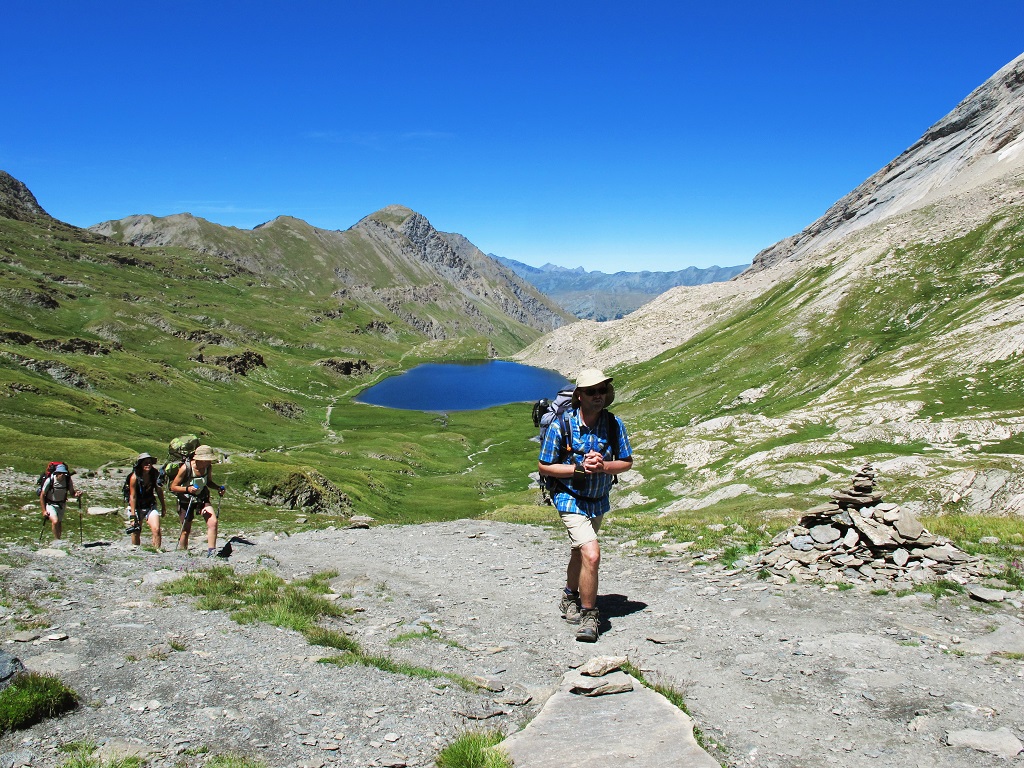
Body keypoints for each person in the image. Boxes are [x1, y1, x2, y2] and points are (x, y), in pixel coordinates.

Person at [538, 369, 633, 642]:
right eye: (591, 392)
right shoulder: (562, 426)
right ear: (579, 396)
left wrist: (604, 466)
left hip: (598, 499)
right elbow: (544, 465)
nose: (598, 396)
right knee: (591, 553)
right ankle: (590, 616)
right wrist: (578, 468)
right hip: (568, 497)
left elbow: (626, 462)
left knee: (579, 552)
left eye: (602, 391)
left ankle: (569, 595)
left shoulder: (614, 425)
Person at [169, 444, 225, 555]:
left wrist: (218, 488)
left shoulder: (208, 467)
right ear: (199, 459)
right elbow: (173, 486)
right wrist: (187, 489)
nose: (209, 462)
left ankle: (211, 552)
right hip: (186, 500)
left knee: (213, 522)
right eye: (207, 460)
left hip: (202, 498)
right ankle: (182, 552)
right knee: (186, 530)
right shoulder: (186, 468)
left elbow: (208, 482)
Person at [126, 453, 167, 550]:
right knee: (136, 531)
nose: (148, 465)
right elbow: (133, 496)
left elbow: (159, 491)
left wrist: (163, 506)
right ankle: (136, 550)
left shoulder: (155, 474)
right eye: (145, 463)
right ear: (140, 464)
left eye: (150, 463)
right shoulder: (134, 477)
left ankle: (157, 550)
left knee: (156, 529)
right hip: (136, 506)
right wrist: (132, 515)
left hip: (150, 505)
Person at [39, 464, 83, 541]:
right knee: (55, 521)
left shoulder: (67, 480)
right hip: (50, 504)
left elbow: (72, 493)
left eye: (63, 473)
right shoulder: (50, 480)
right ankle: (56, 540)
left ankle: (58, 539)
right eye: (60, 473)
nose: (62, 475)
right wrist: (44, 511)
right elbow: (42, 495)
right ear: (56, 473)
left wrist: (77, 494)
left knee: (59, 522)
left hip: (61, 504)